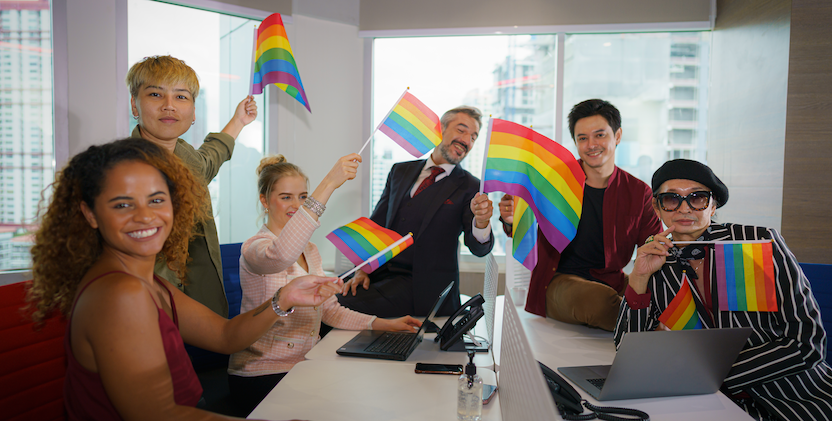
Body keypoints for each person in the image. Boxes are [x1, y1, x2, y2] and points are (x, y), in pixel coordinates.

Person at [27, 138, 342, 420]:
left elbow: (225, 336)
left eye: (156, 199)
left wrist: (283, 298)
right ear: (90, 214)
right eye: (123, 204)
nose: (145, 216)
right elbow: (157, 414)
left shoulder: (144, 281)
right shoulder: (120, 293)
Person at [616, 159, 832, 421]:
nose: (684, 208)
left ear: (713, 204)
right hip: (703, 405)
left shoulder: (758, 243)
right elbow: (630, 356)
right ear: (657, 207)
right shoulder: (655, 261)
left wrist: (710, 376)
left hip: (794, 398)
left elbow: (808, 342)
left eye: (697, 198)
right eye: (671, 199)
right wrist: (638, 278)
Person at [228, 154, 421, 413]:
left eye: (303, 197)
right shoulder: (255, 248)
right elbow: (281, 254)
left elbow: (330, 310)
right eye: (286, 197)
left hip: (306, 364)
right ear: (264, 201)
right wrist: (330, 181)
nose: (296, 205)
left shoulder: (311, 251)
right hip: (262, 373)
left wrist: (382, 324)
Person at [499, 99, 661, 331]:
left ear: (617, 136)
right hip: (559, 282)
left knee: (663, 293)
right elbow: (522, 227)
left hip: (613, 280)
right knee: (599, 301)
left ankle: (648, 325)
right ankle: (648, 328)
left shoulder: (638, 191)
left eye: (599, 135)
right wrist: (511, 219)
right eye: (582, 138)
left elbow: (652, 245)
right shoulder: (555, 181)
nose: (591, 144)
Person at [126, 55, 258, 317]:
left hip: (196, 305)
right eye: (155, 94)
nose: (169, 106)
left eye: (181, 97)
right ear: (134, 105)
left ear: (194, 111)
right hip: (146, 307)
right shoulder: (122, 171)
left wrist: (239, 121)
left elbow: (210, 159)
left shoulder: (186, 158)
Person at [339, 106, 495, 317]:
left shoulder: (470, 186)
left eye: (474, 137)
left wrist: (482, 222)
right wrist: (363, 269)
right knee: (326, 292)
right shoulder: (399, 171)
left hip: (423, 291)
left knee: (336, 304)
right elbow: (377, 226)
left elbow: (478, 248)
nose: (467, 140)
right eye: (461, 130)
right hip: (381, 276)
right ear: (440, 129)